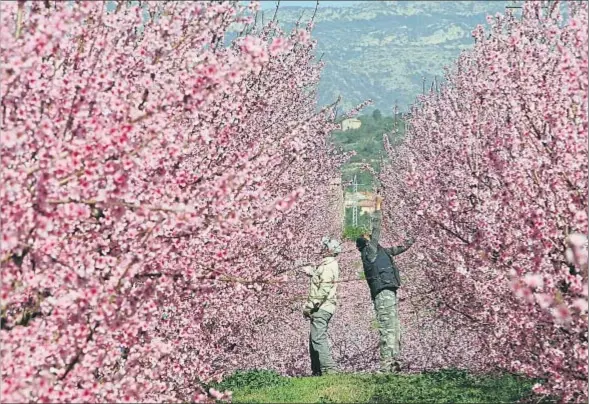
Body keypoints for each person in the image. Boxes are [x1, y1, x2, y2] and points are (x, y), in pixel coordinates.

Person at [356, 195, 414, 373]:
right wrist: (378, 206)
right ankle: (386, 366)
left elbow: (398, 249)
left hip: (388, 291)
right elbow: (376, 229)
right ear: (365, 243)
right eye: (367, 236)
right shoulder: (369, 251)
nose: (370, 236)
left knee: (394, 327)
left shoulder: (380, 252)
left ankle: (394, 364)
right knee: (388, 328)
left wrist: (413, 237)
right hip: (383, 292)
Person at [300, 236, 341, 376]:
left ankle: (329, 369)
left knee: (318, 338)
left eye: (324, 247)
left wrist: (310, 306)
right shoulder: (326, 265)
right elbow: (321, 280)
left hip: (322, 307)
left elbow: (324, 289)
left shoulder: (328, 267)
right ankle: (317, 371)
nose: (321, 249)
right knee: (314, 339)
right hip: (323, 306)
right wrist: (312, 273)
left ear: (329, 250)